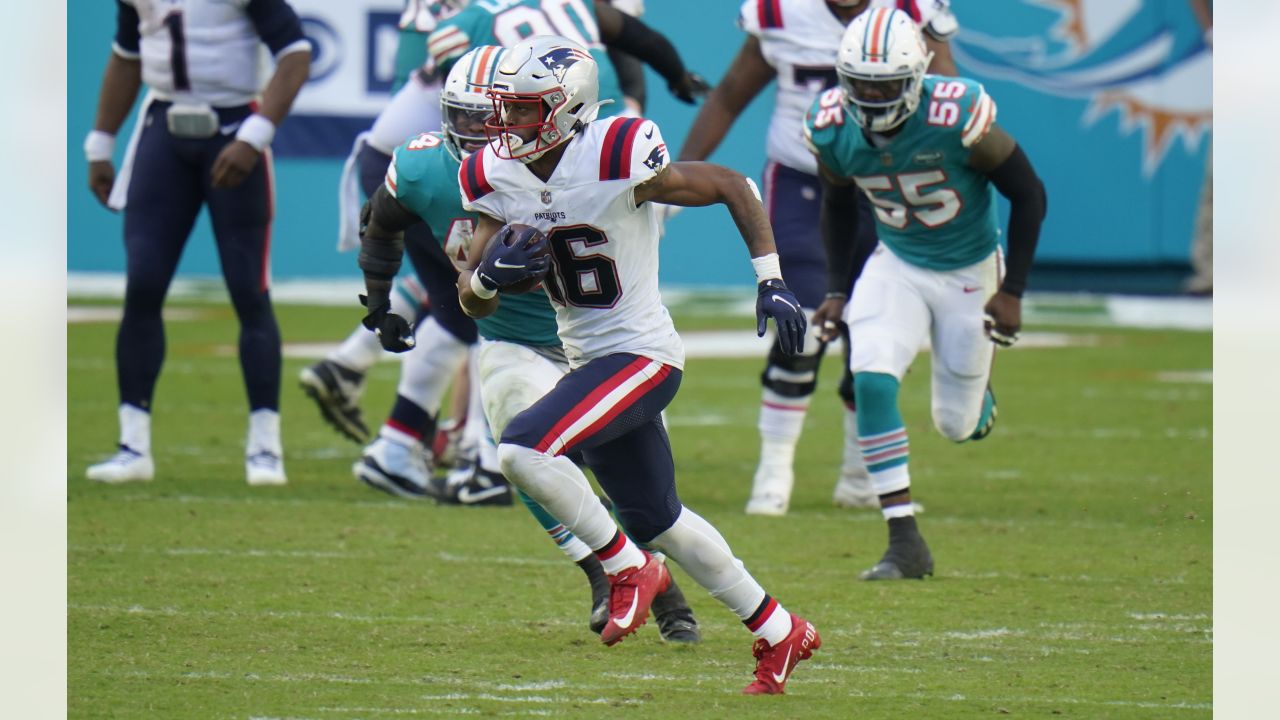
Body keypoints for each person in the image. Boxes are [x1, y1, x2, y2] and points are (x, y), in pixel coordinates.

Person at [410, 34, 818, 693]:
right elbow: (472, 301)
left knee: (520, 451)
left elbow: (732, 184)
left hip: (642, 355)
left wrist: (770, 278)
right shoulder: (491, 173)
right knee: (662, 520)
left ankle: (626, 567)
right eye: (504, 109)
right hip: (588, 361)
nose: (505, 125)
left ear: (567, 109)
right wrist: (487, 281)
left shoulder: (616, 148)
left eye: (522, 110)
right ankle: (780, 630)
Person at [355, 45, 701, 641]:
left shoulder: (577, 157)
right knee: (520, 446)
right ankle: (600, 569)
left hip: (603, 343)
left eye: (508, 112)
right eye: (471, 118)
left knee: (640, 494)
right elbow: (380, 220)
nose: (491, 130)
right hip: (513, 336)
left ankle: (669, 588)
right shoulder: (429, 168)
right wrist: (380, 300)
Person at [678, 0, 959, 515]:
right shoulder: (780, 12)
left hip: (886, 182)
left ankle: (860, 475)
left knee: (874, 331)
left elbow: (950, 105)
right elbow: (731, 95)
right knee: (800, 318)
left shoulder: (911, 11)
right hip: (803, 178)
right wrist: (679, 174)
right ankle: (774, 469)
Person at [805, 9, 1046, 579]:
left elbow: (1029, 193)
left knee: (955, 426)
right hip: (900, 263)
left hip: (969, 270)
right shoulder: (831, 124)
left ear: (914, 77)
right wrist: (837, 289)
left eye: (884, 83)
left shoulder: (957, 114)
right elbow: (837, 203)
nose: (869, 94)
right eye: (859, 82)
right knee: (870, 375)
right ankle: (904, 540)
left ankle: (977, 397)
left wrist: (1011, 291)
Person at [84, 0, 311, 485]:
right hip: (163, 130)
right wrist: (101, 141)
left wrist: (255, 136)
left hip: (232, 123)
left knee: (248, 290)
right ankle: (132, 445)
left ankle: (265, 447)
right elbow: (127, 54)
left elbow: (295, 53)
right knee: (143, 283)